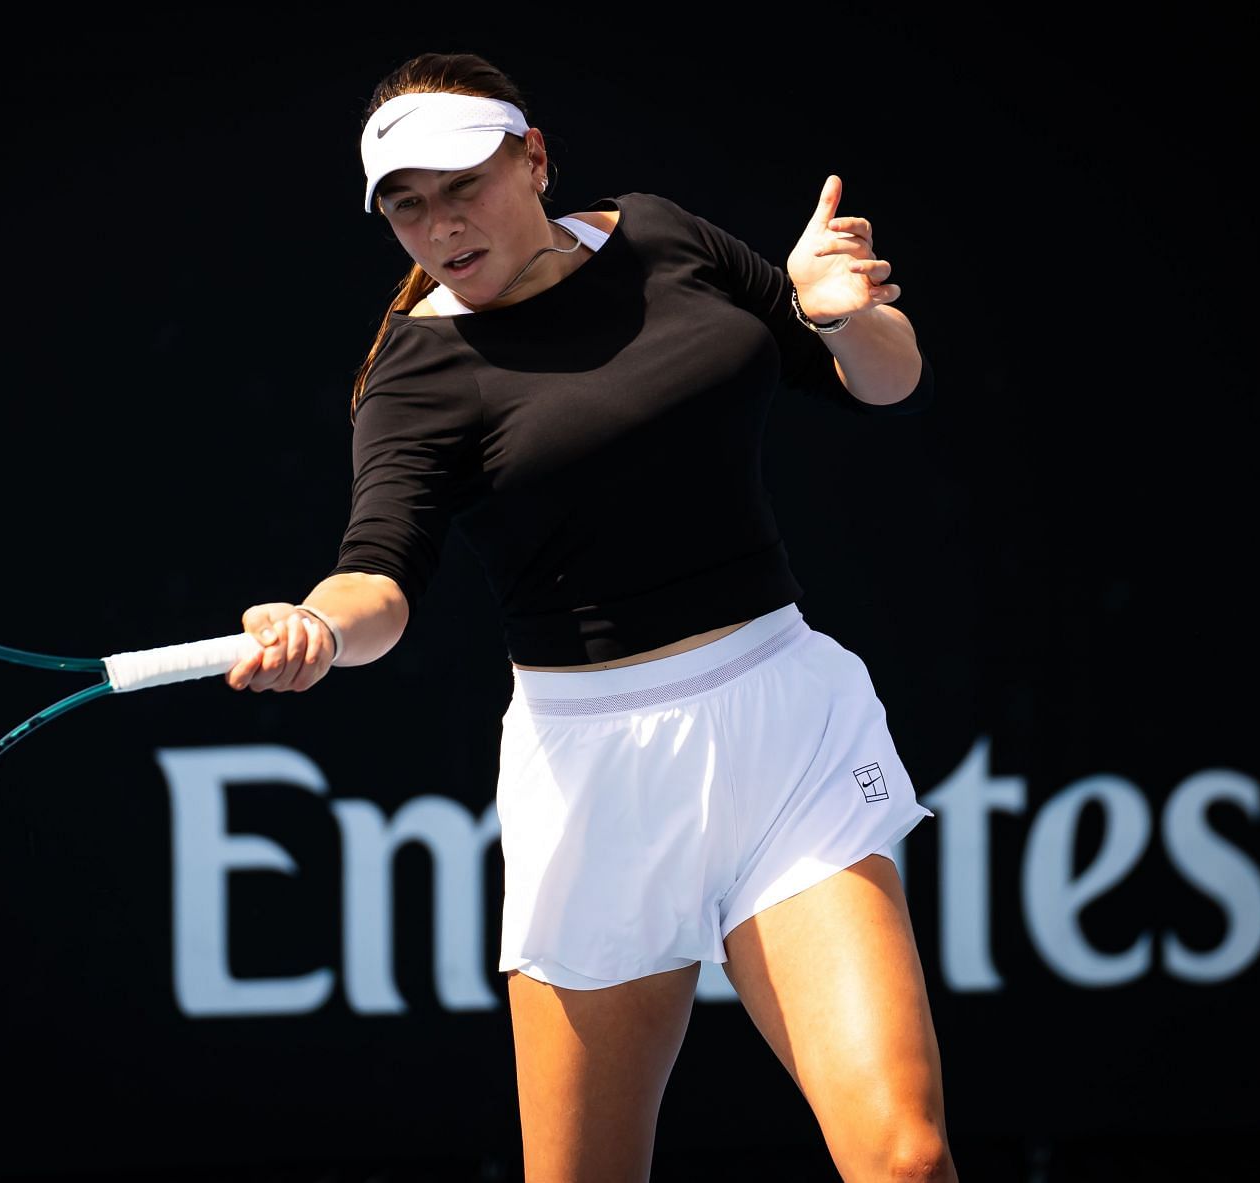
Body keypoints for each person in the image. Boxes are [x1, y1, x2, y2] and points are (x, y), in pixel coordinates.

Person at [227, 51, 956, 1182]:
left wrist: (839, 319)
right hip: (598, 779)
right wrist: (319, 627)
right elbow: (376, 577)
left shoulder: (663, 236)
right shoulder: (417, 373)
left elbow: (884, 378)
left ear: (535, 159)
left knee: (904, 1157)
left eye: (460, 185)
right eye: (405, 207)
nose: (438, 226)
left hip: (789, 731)